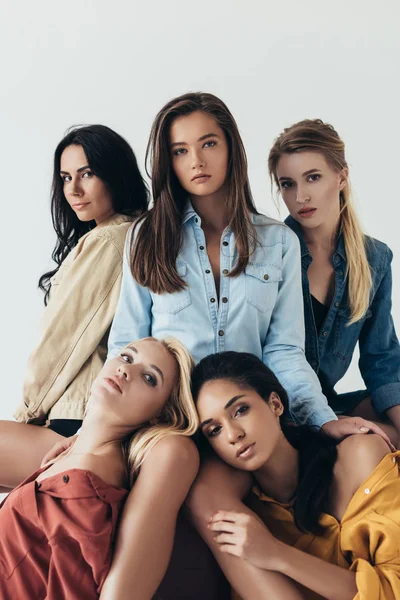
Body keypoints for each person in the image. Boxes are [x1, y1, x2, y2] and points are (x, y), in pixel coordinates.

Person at [0, 124, 149, 493]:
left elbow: (64, 341)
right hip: (87, 418)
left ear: (115, 174)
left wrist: (28, 413)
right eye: (66, 177)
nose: (74, 189)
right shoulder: (132, 235)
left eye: (88, 174)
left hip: (72, 420)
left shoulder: (110, 240)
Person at [0, 337, 199, 600]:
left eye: (149, 378)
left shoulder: (88, 486)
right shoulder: (74, 456)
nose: (125, 369)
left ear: (160, 416)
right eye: (127, 357)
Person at [193, 350, 399, 600]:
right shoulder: (249, 519)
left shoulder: (359, 456)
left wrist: (277, 554)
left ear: (275, 404)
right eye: (214, 430)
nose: (232, 434)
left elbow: (394, 589)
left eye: (240, 410)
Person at [268, 119, 400, 445]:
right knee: (370, 441)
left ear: (341, 176)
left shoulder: (375, 259)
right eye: (287, 184)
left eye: (313, 177)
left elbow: (381, 358)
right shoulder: (267, 253)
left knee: (390, 429)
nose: (301, 196)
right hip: (275, 408)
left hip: (330, 402)